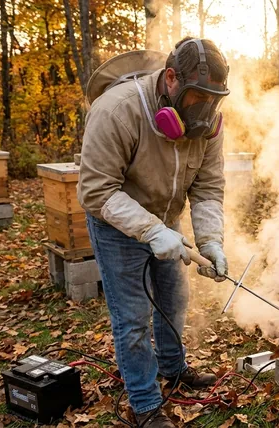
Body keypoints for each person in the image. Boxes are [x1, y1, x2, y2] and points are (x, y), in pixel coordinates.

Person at [78, 37, 230, 427]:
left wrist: (211, 240)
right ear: (171, 78)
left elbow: (208, 187)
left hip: (167, 219)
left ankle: (174, 369)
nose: (206, 108)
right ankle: (144, 404)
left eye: (214, 97)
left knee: (174, 299)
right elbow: (97, 191)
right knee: (132, 318)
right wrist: (149, 231)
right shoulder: (116, 110)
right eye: (199, 96)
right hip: (116, 224)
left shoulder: (210, 125)